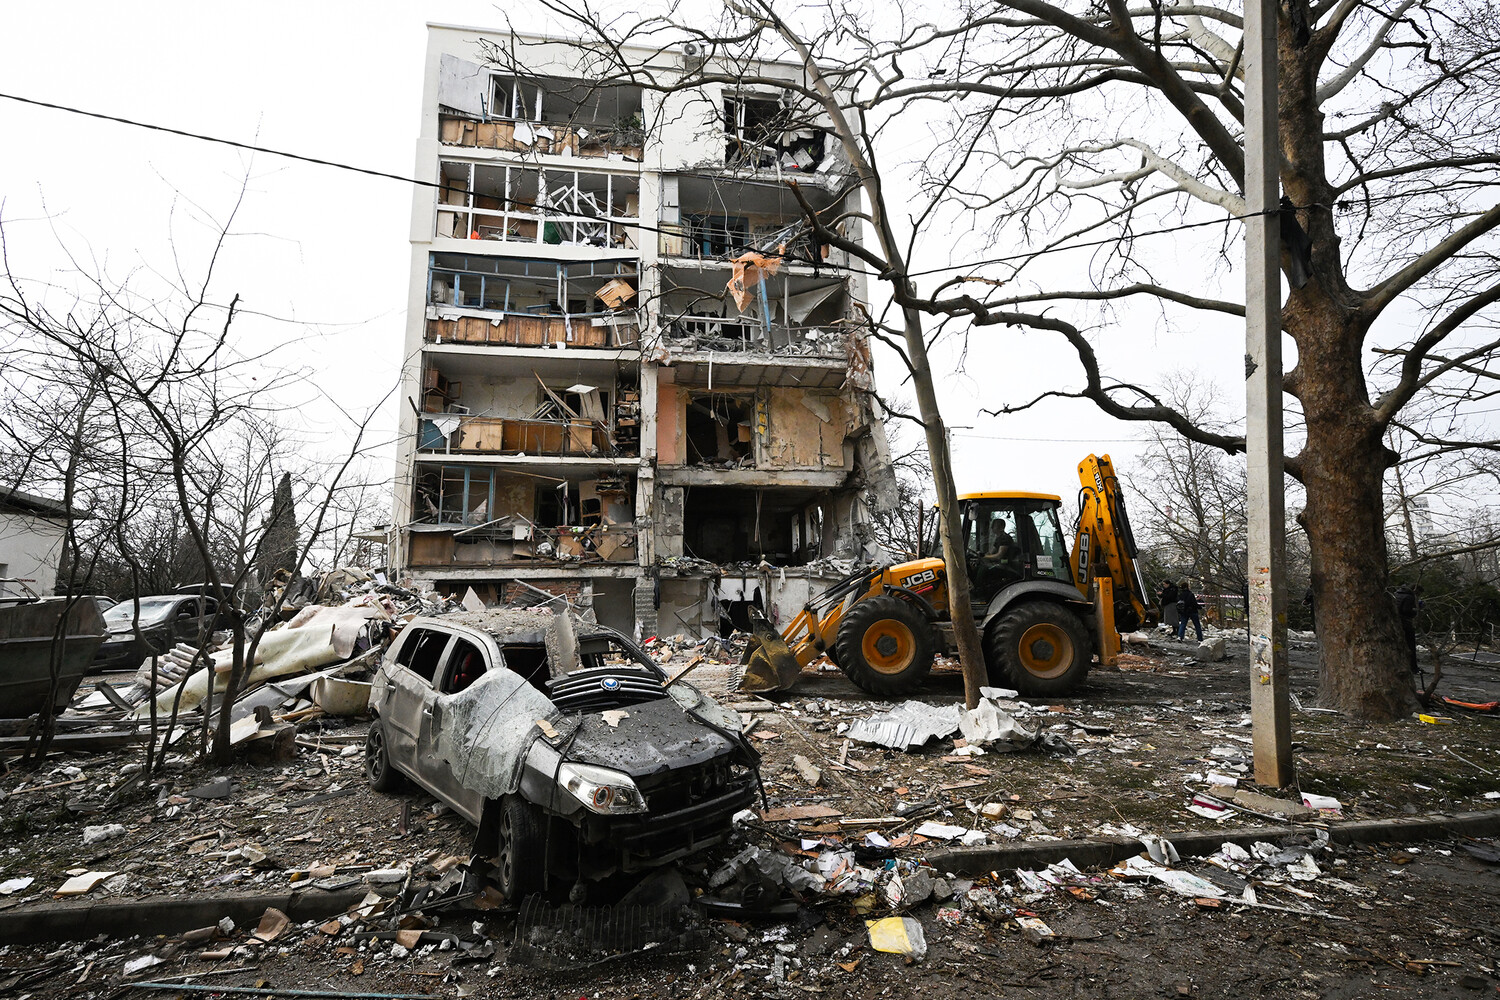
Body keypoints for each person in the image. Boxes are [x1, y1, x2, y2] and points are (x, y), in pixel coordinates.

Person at [1394, 583, 1421, 674]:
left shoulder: (1396, 594)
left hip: (1395, 623)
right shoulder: (1410, 597)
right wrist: (1415, 611)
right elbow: (1406, 610)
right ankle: (1413, 667)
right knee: (1410, 645)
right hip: (1405, 623)